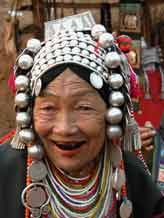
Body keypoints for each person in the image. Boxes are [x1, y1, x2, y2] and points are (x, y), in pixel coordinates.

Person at [0, 22, 164, 218]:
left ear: (113, 112)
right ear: (29, 111)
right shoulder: (6, 172)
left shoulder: (131, 176)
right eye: (48, 108)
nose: (64, 129)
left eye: (84, 107)